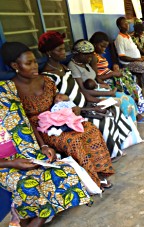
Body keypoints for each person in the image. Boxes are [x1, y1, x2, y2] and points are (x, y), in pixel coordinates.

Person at [1, 41, 114, 189]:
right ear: (15, 66)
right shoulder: (11, 90)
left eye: (35, 62)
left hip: (59, 119)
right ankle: (90, 179)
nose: (35, 66)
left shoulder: (46, 81)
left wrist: (69, 105)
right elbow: (23, 121)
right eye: (29, 64)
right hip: (39, 128)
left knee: (90, 130)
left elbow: (59, 101)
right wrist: (43, 144)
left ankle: (99, 171)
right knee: (72, 141)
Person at [0, 82, 92, 227]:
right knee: (27, 185)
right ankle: (30, 218)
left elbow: (26, 122)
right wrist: (11, 163)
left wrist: (43, 146)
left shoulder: (6, 88)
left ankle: (33, 218)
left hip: (26, 152)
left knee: (65, 171)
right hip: (3, 164)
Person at [38, 31, 131, 159]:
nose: (63, 52)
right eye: (59, 50)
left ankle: (117, 145)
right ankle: (109, 154)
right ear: (49, 52)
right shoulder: (48, 76)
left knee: (113, 108)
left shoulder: (64, 68)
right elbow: (61, 106)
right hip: (74, 112)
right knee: (102, 122)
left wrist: (95, 102)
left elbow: (79, 91)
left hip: (85, 104)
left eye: (63, 48)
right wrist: (89, 109)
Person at [68, 39, 139, 124]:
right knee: (123, 103)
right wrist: (108, 93)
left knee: (128, 98)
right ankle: (127, 127)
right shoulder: (73, 66)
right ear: (79, 54)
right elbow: (83, 89)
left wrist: (103, 85)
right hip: (92, 96)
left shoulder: (85, 63)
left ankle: (133, 125)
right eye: (88, 55)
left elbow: (95, 77)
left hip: (100, 89)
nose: (90, 57)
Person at [89, 31, 144, 123]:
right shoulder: (94, 57)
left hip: (110, 77)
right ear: (94, 44)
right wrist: (113, 74)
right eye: (101, 46)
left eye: (105, 47)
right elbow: (96, 78)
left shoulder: (98, 55)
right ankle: (137, 115)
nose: (103, 49)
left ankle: (137, 113)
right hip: (105, 81)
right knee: (131, 89)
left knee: (135, 86)